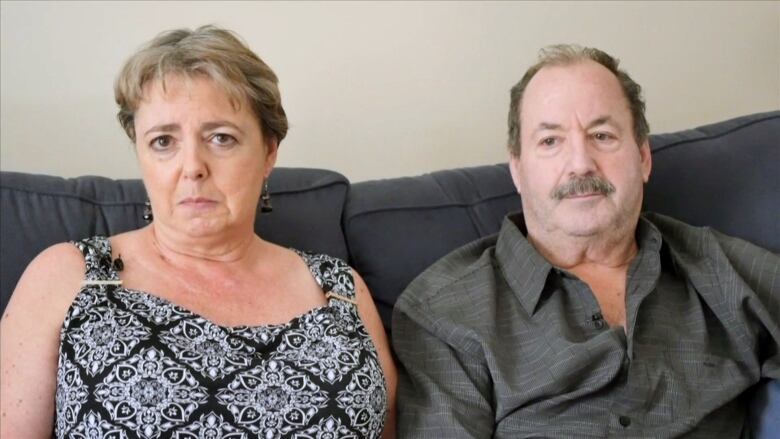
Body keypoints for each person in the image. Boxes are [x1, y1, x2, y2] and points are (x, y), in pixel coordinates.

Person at [0, 25, 396, 438]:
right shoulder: (69, 276)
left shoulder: (339, 290)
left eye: (221, 137)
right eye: (163, 141)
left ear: (269, 152)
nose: (192, 166)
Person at [392, 44, 779, 437]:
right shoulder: (444, 314)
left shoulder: (719, 270)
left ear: (643, 157)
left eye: (602, 134)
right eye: (550, 141)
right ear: (517, 170)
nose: (580, 163)